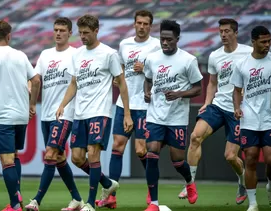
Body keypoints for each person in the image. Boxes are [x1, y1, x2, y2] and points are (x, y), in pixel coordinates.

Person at [56, 14, 133, 211]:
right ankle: (107, 183)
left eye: (86, 33)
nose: (82, 36)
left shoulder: (109, 54)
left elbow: (122, 84)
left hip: (100, 111)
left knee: (93, 155)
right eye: (80, 33)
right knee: (76, 158)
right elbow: (74, 83)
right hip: (80, 113)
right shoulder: (77, 54)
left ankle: (90, 203)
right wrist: (63, 104)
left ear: (96, 31)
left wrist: (126, 113)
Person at [178, 18, 252, 204]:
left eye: (227, 31)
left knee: (230, 156)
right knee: (195, 137)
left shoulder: (249, 53)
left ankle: (242, 182)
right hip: (218, 106)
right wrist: (206, 103)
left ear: (235, 33)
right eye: (221, 31)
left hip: (239, 110)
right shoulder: (215, 56)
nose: (224, 35)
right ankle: (190, 183)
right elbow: (212, 83)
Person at [95, 9, 160, 209]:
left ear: (150, 26)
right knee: (117, 146)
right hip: (125, 104)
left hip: (145, 104)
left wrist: (147, 69)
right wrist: (118, 79)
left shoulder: (157, 46)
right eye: (139, 23)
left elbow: (164, 73)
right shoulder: (125, 44)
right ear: (134, 24)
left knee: (141, 150)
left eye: (145, 24)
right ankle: (111, 196)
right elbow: (120, 69)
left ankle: (152, 187)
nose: (141, 27)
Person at [0, 20, 40, 211]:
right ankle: (17, 198)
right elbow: (36, 80)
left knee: (6, 161)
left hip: (2, 115)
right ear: (9, 36)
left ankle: (15, 204)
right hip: (21, 114)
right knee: (14, 157)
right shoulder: (20, 55)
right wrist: (32, 104)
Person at [25, 17, 84, 211]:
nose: (58, 33)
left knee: (50, 154)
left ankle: (36, 201)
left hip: (65, 114)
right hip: (46, 115)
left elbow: (78, 83)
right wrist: (30, 100)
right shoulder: (45, 55)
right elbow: (35, 80)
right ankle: (77, 198)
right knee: (58, 158)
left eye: (62, 30)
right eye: (56, 29)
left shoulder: (76, 54)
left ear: (69, 33)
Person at [143, 20, 201, 211]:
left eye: (169, 39)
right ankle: (154, 203)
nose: (165, 43)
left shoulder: (188, 60)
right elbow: (148, 79)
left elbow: (198, 89)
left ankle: (189, 181)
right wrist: (146, 92)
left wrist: (179, 94)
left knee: (177, 161)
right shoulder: (152, 59)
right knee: (151, 152)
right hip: (155, 116)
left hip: (176, 118)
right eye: (162, 39)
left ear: (177, 39)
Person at [229, 25, 271, 211]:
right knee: (251, 159)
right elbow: (237, 91)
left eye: (269, 41)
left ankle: (269, 181)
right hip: (250, 120)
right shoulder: (242, 64)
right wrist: (237, 107)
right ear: (253, 42)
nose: (267, 45)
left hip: (269, 118)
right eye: (263, 42)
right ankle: (253, 203)